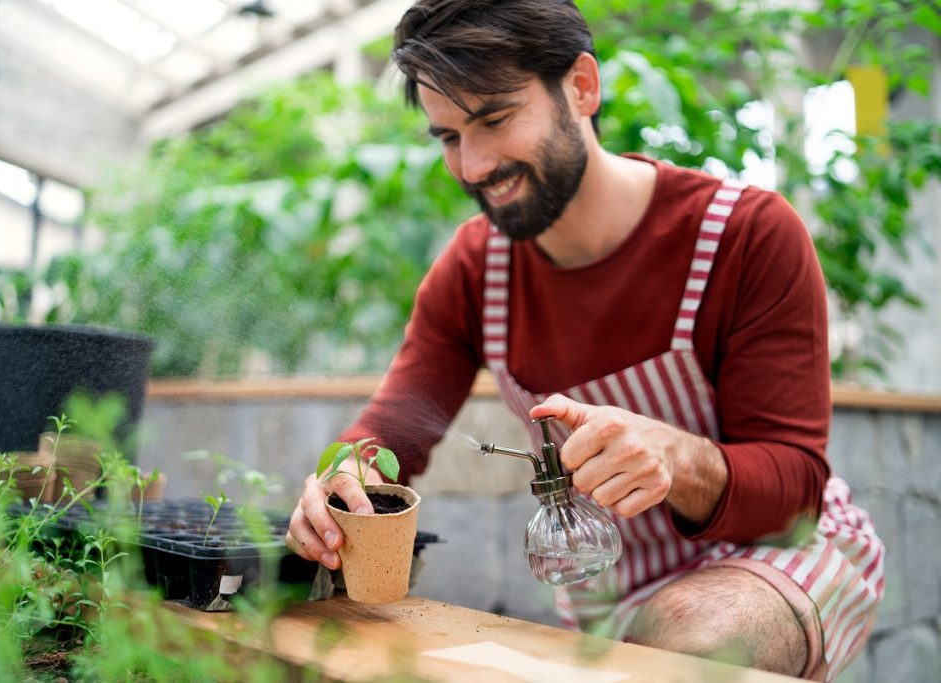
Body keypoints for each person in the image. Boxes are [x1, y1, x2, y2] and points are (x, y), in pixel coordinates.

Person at [285, 1, 884, 679]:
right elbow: (395, 429)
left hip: (780, 555)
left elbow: (796, 489)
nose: (473, 166)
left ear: (582, 87)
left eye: (495, 119)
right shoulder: (475, 269)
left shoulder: (743, 236)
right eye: (448, 137)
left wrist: (677, 458)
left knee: (690, 631)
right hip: (612, 586)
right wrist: (349, 479)